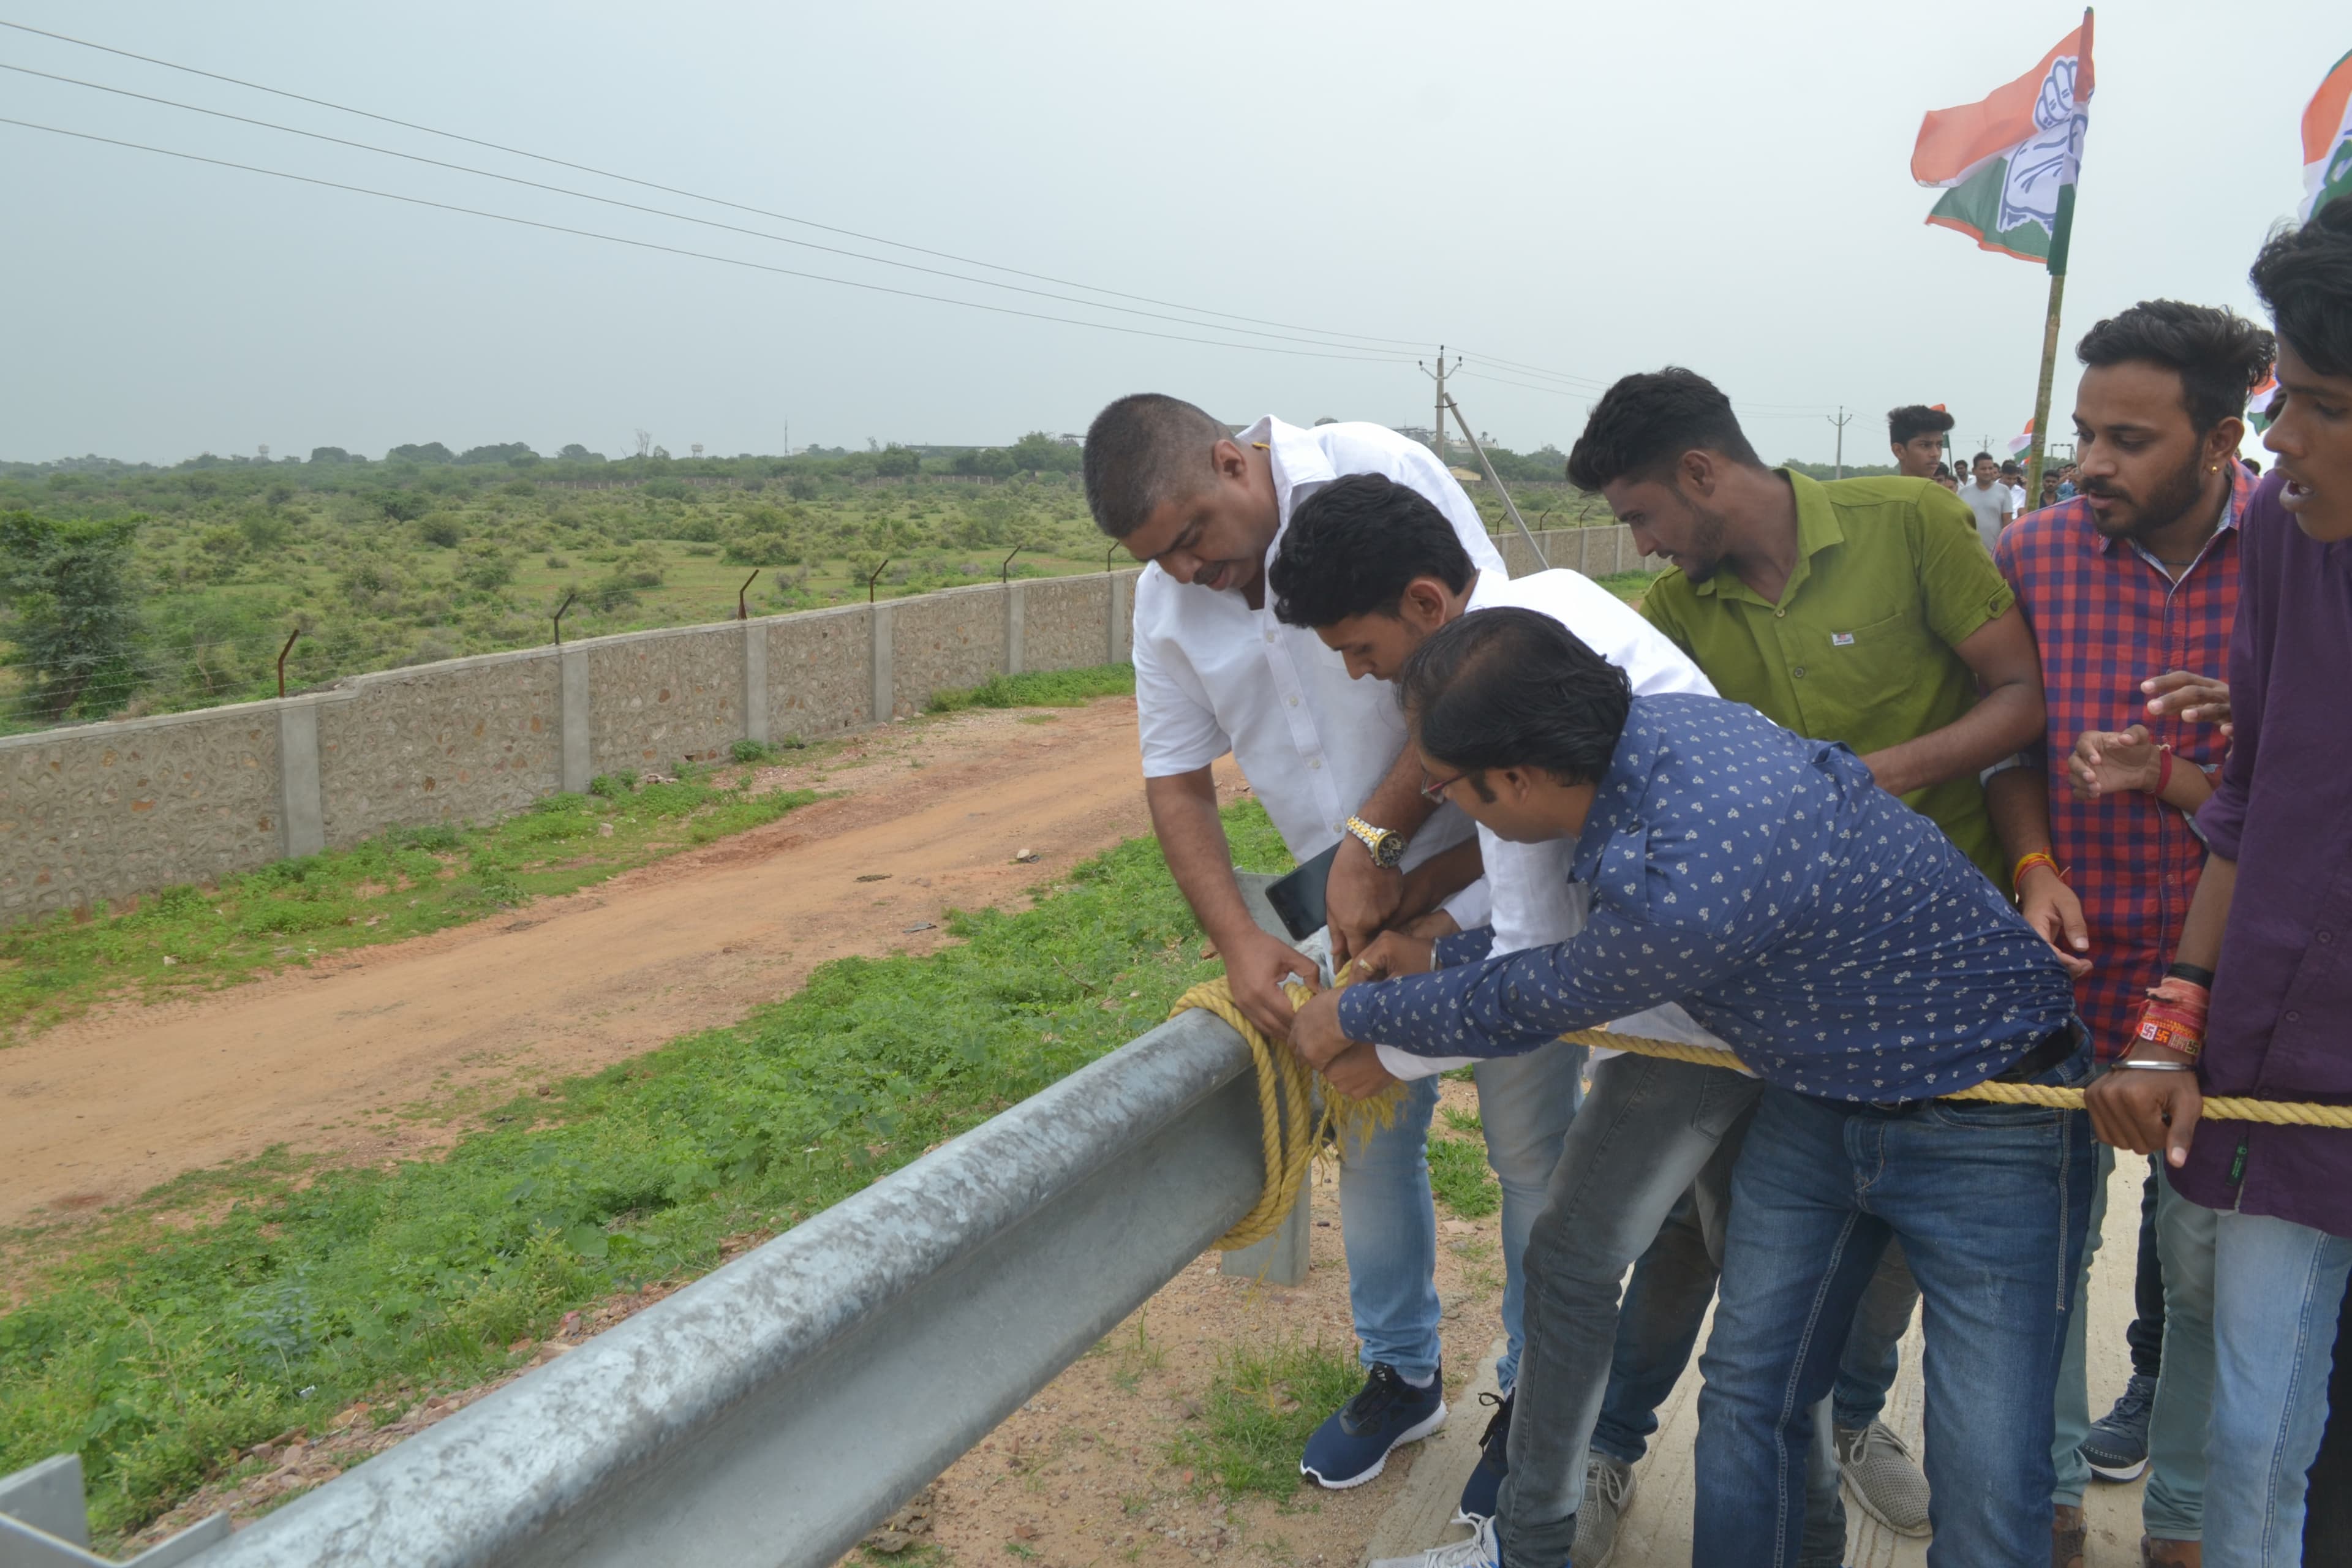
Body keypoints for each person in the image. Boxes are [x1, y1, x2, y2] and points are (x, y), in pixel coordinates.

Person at [1301, 609, 2091, 1568]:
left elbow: (1547, 994)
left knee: (1988, 1467)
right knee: (1753, 1391)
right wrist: (1435, 956)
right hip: (1822, 1098)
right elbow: (1590, 954)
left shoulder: (1695, 874)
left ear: (1513, 780)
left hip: (1995, 1112)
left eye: (1447, 784)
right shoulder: (1666, 737)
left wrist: (1356, 1017)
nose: (1436, 796)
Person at [1082, 394, 1588, 1494]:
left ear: (1231, 461)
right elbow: (1175, 782)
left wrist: (1383, 834)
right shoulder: (1164, 602)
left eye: (1190, 539)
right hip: (1349, 911)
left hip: (1499, 869)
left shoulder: (1375, 465)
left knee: (1529, 1150)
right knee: (1371, 1133)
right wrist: (1239, 941)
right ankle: (1400, 1375)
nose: (1184, 571)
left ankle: (1534, 1401)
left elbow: (1478, 649)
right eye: (1157, 558)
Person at [1264, 471, 1732, 1539]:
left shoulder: (1492, 696)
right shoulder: (1550, 606)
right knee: (1681, 1268)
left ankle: (1535, 1512)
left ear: (1427, 606)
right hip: (1692, 997)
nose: (1358, 675)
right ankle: (1548, 1484)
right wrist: (1426, 931)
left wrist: (1374, 1043)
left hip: (1704, 1023)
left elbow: (1531, 971)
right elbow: (1527, 885)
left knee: (1657, 1290)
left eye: (1361, 649)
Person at [1988, 296, 2274, 1568]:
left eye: (2132, 439)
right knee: (2044, 1255)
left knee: (2208, 1267)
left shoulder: (2305, 553)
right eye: (2087, 432)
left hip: (2235, 990)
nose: (2094, 462)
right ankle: (2041, 1496)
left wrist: (2169, 773)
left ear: (2223, 440)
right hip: (2065, 965)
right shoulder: (2036, 555)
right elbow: (2003, 737)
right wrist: (2035, 857)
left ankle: (2187, 1520)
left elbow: (2305, 795)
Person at [2087, 197, 2352, 1567]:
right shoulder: (2291, 546)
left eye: (2316, 405)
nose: (2278, 440)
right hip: (2283, 1078)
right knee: (2257, 1433)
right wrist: (2175, 1011)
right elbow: (2250, 801)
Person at [1963, 449, 2017, 550]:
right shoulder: (1963, 493)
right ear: (1974, 471)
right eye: (1983, 469)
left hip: (1996, 550)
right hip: (1971, 550)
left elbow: (2007, 522)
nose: (1988, 472)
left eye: (1990, 468)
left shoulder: (2003, 491)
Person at [1888, 404, 1956, 478]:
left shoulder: (1948, 490)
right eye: (1925, 445)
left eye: (1939, 445)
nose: (1936, 454)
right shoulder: (1880, 490)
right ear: (1899, 451)